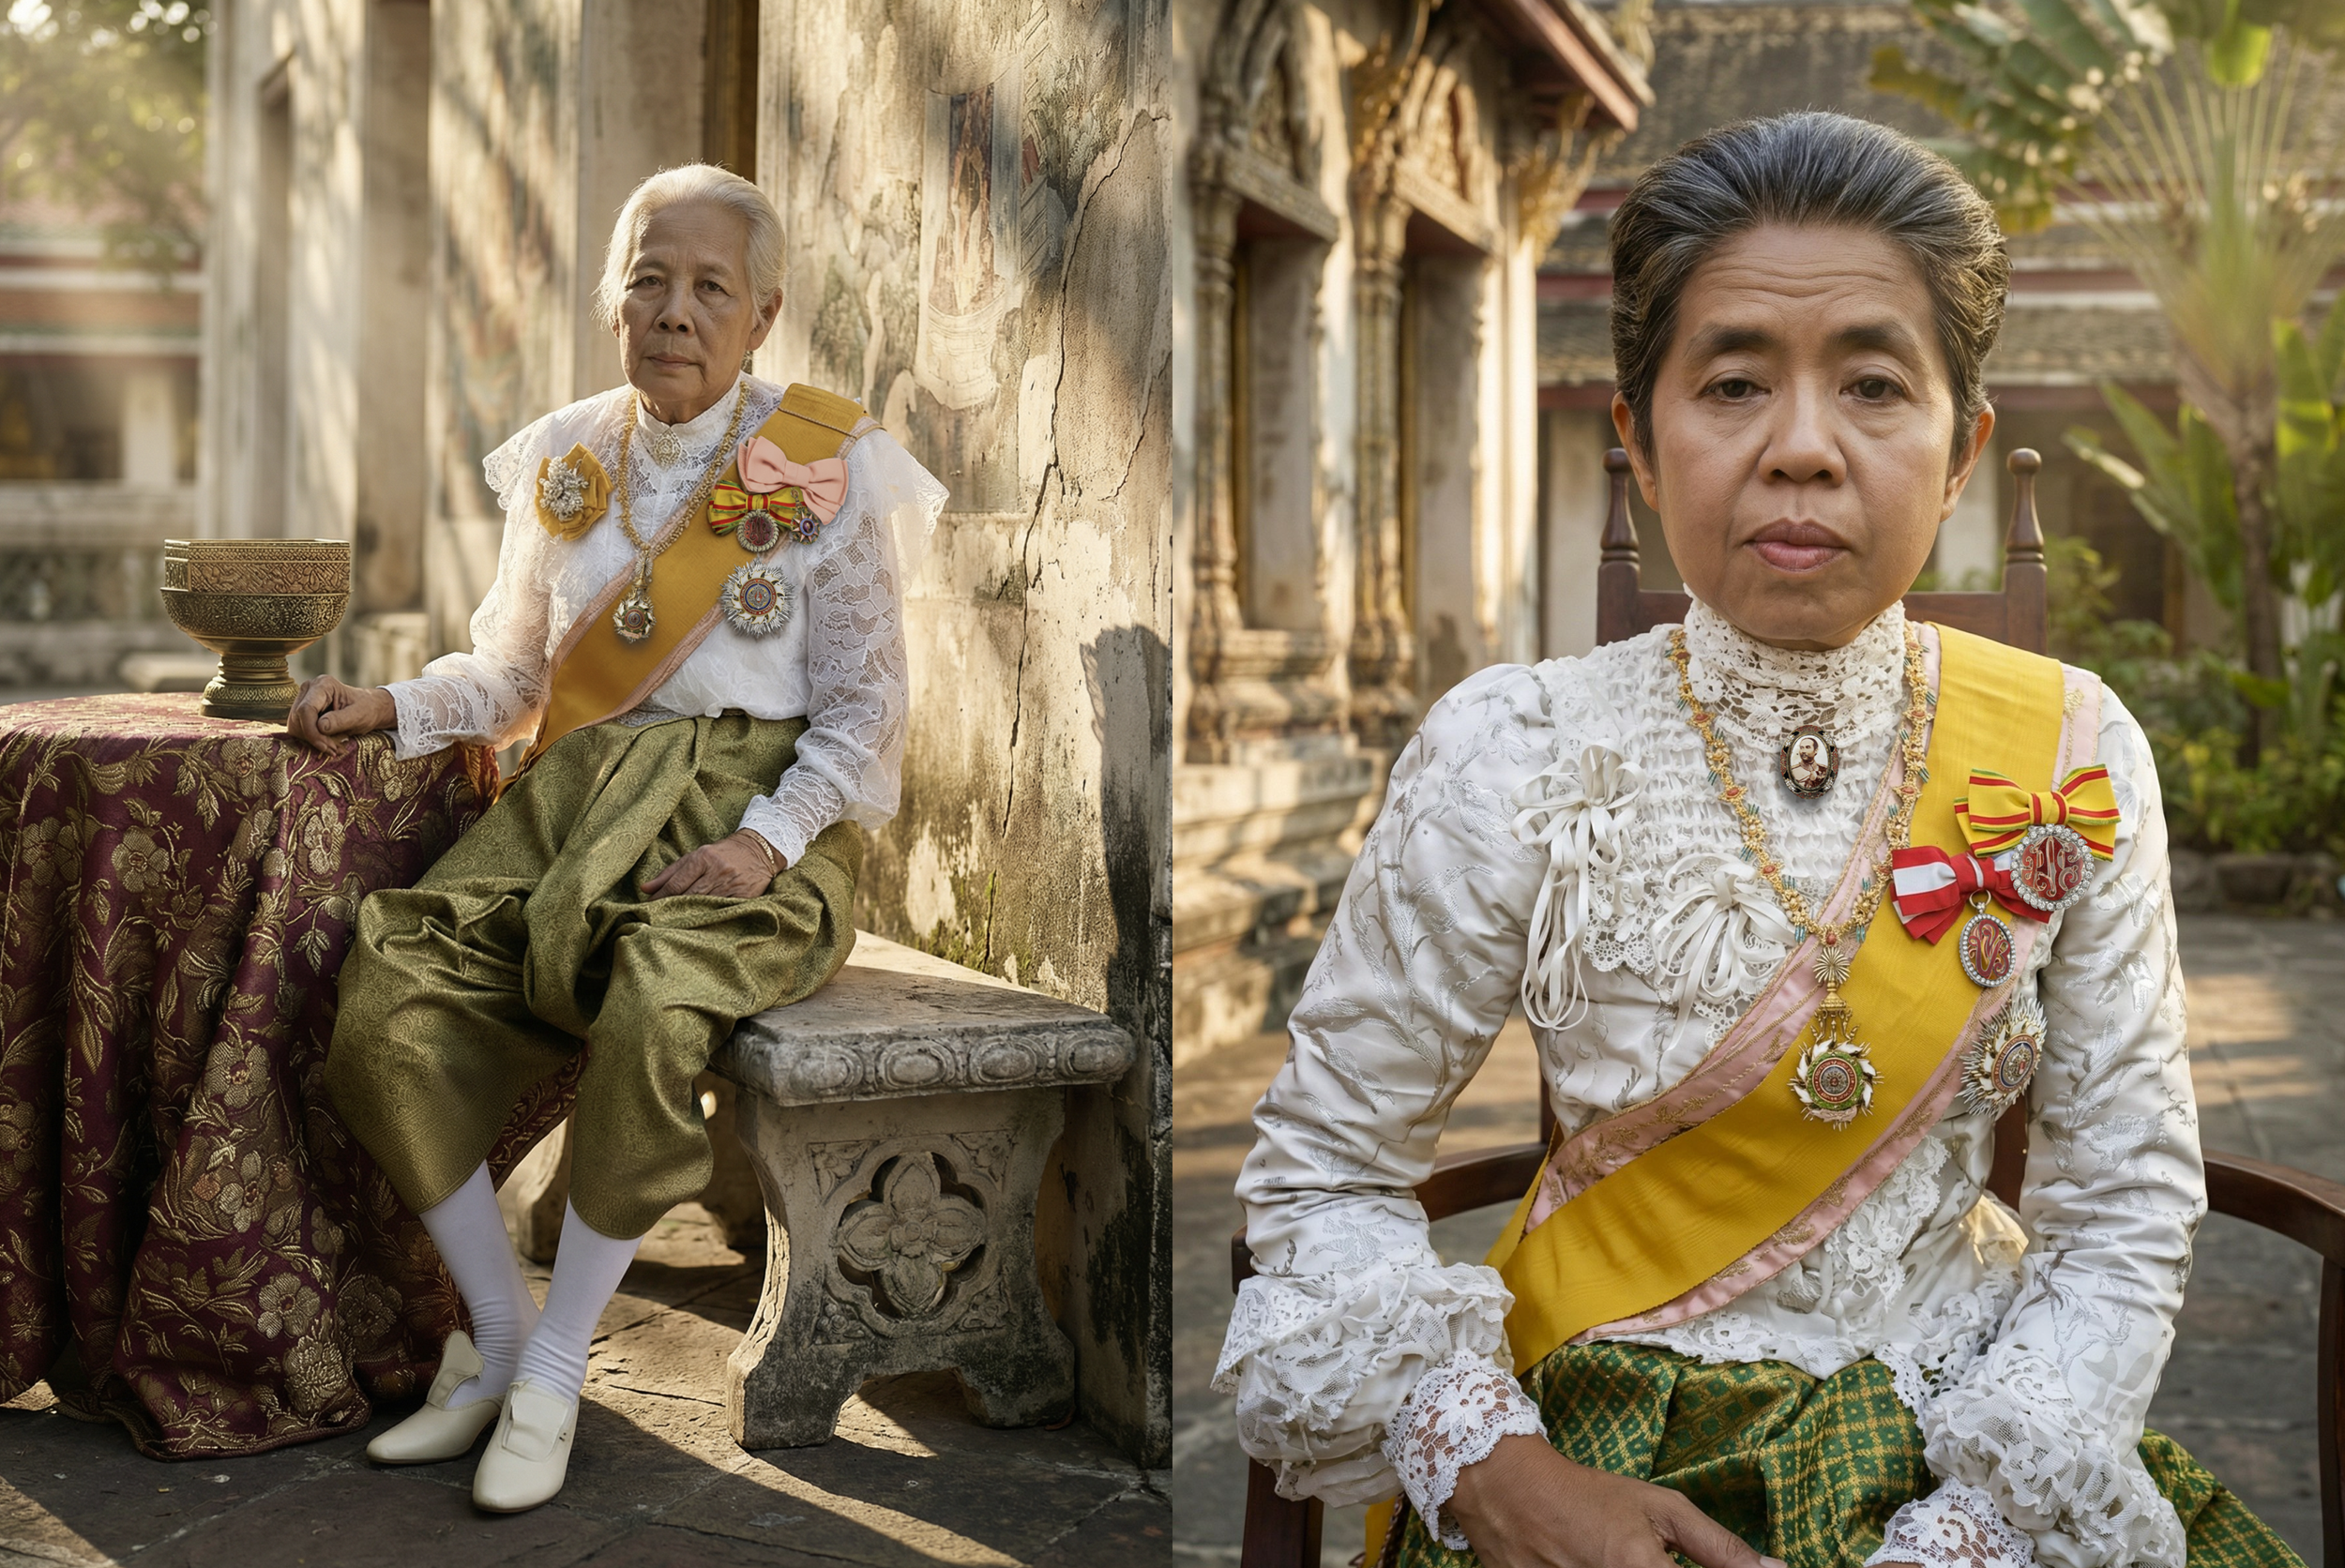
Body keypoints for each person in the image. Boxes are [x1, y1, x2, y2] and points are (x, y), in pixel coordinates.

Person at [1216, 113, 2298, 1568]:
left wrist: (1972, 1532)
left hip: (1968, 1436)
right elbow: (1322, 1175)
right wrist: (1490, 1468)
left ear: (1963, 449)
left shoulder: (2072, 747)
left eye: (1871, 384)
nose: (1802, 449)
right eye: (1732, 384)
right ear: (1641, 446)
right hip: (1585, 1440)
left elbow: (2121, 1205)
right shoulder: (1515, 750)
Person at [284, 164, 945, 1514]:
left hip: (759, 815)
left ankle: (559, 1370)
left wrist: (766, 847)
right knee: (388, 994)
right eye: (649, 277)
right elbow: (513, 674)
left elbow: (868, 708)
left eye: (710, 287)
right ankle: (504, 1341)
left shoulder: (828, 460)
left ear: (763, 316)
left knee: (656, 996)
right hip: (574, 809)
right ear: (613, 301)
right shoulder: (568, 456)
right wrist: (391, 705)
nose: (674, 310)